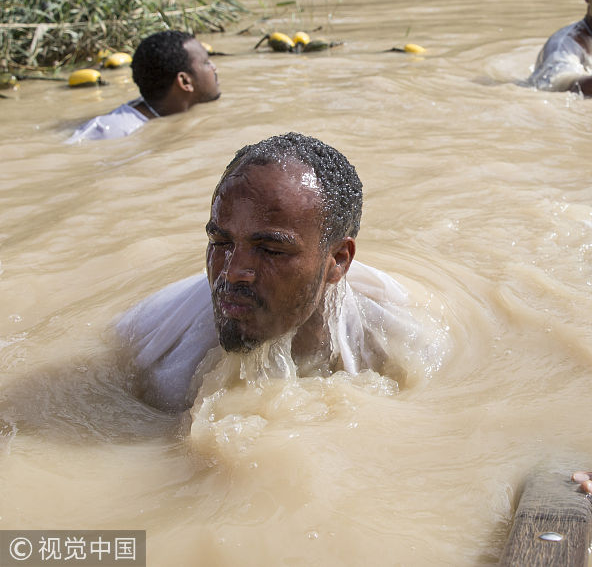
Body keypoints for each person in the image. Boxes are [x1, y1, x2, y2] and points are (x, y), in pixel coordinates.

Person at [118, 133, 420, 412]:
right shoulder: (156, 351)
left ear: (338, 260)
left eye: (271, 251)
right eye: (221, 242)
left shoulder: (395, 344)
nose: (232, 271)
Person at [68, 30, 220, 142]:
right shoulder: (112, 132)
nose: (214, 68)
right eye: (206, 63)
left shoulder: (162, 109)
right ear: (185, 82)